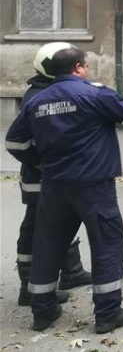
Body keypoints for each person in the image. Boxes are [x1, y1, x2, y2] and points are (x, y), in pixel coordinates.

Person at [5, 45, 123, 333]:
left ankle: (42, 312)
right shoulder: (94, 93)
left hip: (53, 186)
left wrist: (37, 163)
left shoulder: (37, 102)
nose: (87, 69)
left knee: (48, 246)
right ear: (78, 67)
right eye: (86, 65)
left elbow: (14, 142)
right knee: (108, 245)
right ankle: (108, 313)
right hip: (93, 185)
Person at [15, 43, 92, 308]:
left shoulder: (49, 90)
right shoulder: (38, 96)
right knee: (36, 227)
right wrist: (40, 164)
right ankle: (28, 288)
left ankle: (71, 271)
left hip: (55, 176)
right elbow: (17, 140)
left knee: (62, 220)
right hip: (42, 178)